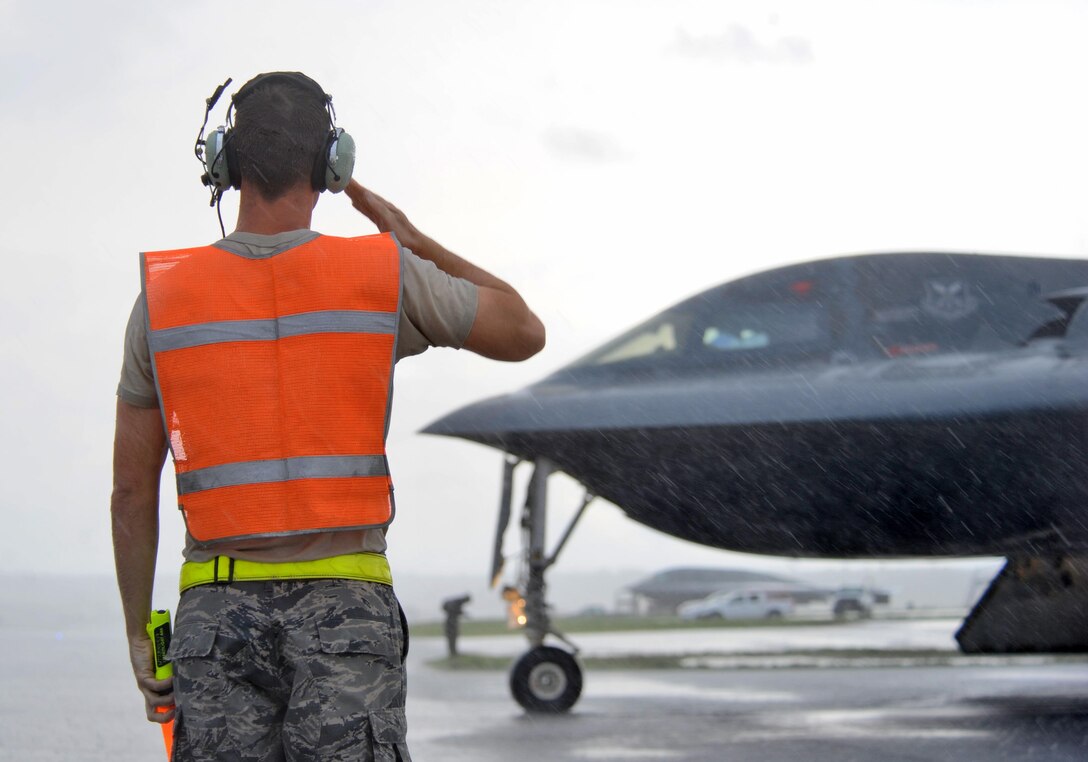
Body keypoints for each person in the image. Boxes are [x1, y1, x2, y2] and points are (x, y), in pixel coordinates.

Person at [111, 71, 545, 761]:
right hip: (348, 612)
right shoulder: (382, 275)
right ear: (331, 165)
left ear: (223, 166)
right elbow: (523, 331)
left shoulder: (163, 301)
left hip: (215, 618)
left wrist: (141, 636)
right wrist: (412, 238)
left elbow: (132, 492)